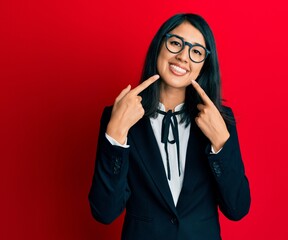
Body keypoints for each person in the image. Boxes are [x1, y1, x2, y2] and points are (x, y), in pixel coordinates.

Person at [88, 13, 250, 240]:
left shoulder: (218, 119)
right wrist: (115, 137)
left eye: (196, 52)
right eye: (175, 43)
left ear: (204, 65)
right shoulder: (119, 115)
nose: (184, 56)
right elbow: (104, 212)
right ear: (159, 47)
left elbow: (237, 209)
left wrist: (221, 144)